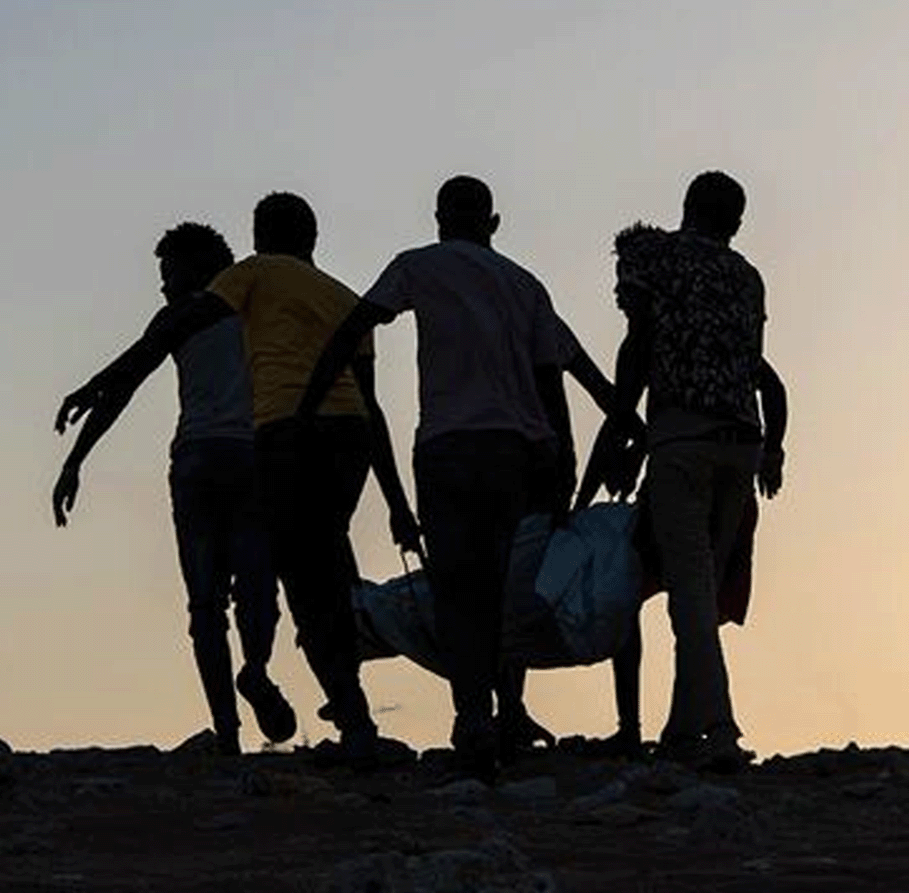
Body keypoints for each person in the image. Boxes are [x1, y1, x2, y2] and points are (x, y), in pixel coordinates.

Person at [58, 193, 414, 766]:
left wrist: (86, 425)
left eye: (170, 272)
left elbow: (144, 359)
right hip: (302, 448)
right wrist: (397, 503)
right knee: (289, 580)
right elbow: (368, 404)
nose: (163, 286)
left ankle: (243, 731)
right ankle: (303, 692)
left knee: (232, 597)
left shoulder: (243, 287)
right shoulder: (323, 299)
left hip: (251, 449)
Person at [299, 175, 624, 779]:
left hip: (448, 447)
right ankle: (503, 715)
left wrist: (308, 404)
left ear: (439, 219)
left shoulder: (417, 265)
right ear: (492, 223)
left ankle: (473, 718)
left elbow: (353, 327)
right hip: (518, 453)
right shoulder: (525, 285)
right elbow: (556, 379)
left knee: (456, 589)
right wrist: (568, 462)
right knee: (503, 586)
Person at [51, 223, 295, 755]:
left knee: (206, 603)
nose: (162, 285)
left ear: (199, 266)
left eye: (169, 273)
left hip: (203, 461)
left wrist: (76, 458)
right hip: (246, 458)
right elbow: (123, 385)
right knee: (256, 583)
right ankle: (254, 671)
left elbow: (125, 381)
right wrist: (75, 458)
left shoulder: (192, 313)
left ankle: (228, 732)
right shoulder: (255, 304)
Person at [591, 170, 775, 772]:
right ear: (737, 223)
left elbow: (637, 346)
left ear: (687, 206)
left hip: (683, 439)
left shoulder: (655, 256)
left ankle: (719, 728)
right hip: (741, 441)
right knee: (701, 592)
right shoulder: (748, 278)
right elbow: (758, 370)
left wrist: (620, 437)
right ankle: (681, 728)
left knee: (691, 594)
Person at [575, 351, 787, 757]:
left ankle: (711, 727)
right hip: (738, 461)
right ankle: (682, 727)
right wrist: (773, 451)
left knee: (648, 595)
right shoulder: (718, 330)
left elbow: (619, 416)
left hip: (681, 464)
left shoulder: (655, 332)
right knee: (698, 606)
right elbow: (773, 388)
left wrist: (581, 502)